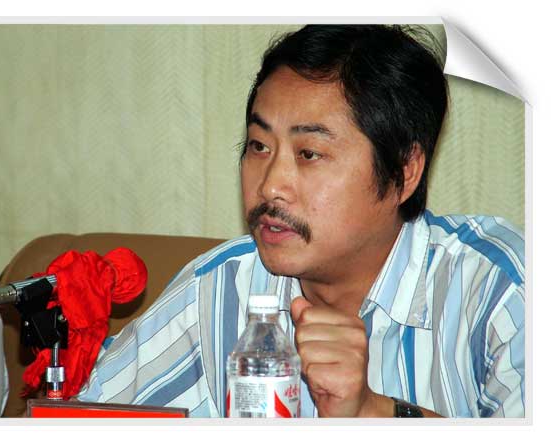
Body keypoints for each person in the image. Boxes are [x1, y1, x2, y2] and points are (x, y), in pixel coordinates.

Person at [77, 25, 525, 418]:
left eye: (309, 153)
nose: (271, 185)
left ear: (404, 172)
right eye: (259, 146)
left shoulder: (500, 289)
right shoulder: (215, 290)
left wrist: (371, 413)